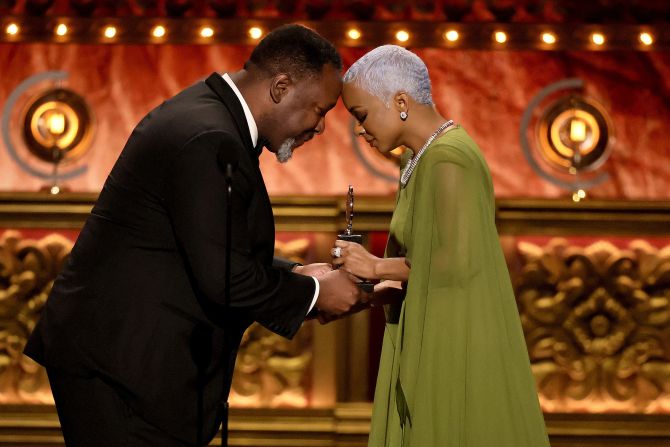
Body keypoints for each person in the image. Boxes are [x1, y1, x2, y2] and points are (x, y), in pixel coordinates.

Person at [24, 24, 363, 446]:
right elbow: (225, 278)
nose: (320, 127)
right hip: (122, 370)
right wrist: (313, 293)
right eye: (320, 109)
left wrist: (296, 271)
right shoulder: (210, 136)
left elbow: (205, 245)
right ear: (281, 86)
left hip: (126, 362)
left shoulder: (210, 117)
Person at [332, 45, 550, 447]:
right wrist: (377, 288)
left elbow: (451, 264)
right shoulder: (418, 160)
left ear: (400, 101)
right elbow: (422, 263)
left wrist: (377, 267)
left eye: (361, 116)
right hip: (428, 324)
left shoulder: (450, 160)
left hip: (455, 338)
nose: (360, 130)